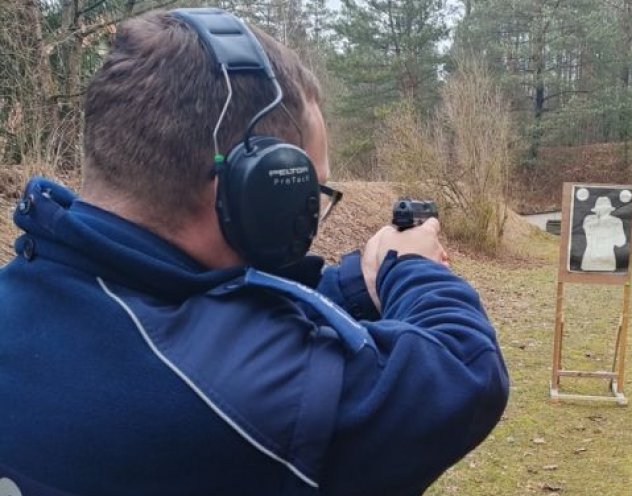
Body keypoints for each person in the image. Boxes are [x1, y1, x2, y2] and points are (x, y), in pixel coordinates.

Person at [0, 8, 508, 496]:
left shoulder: (43, 292)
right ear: (255, 191)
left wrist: (358, 282)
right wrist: (411, 268)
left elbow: (215, 312)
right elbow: (465, 373)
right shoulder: (240, 400)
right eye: (310, 192)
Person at [580, 196, 626, 271]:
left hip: (607, 262)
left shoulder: (616, 222)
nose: (603, 211)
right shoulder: (589, 220)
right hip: (589, 262)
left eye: (605, 209)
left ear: (609, 210)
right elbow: (588, 231)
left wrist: (615, 228)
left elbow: (620, 243)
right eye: (601, 209)